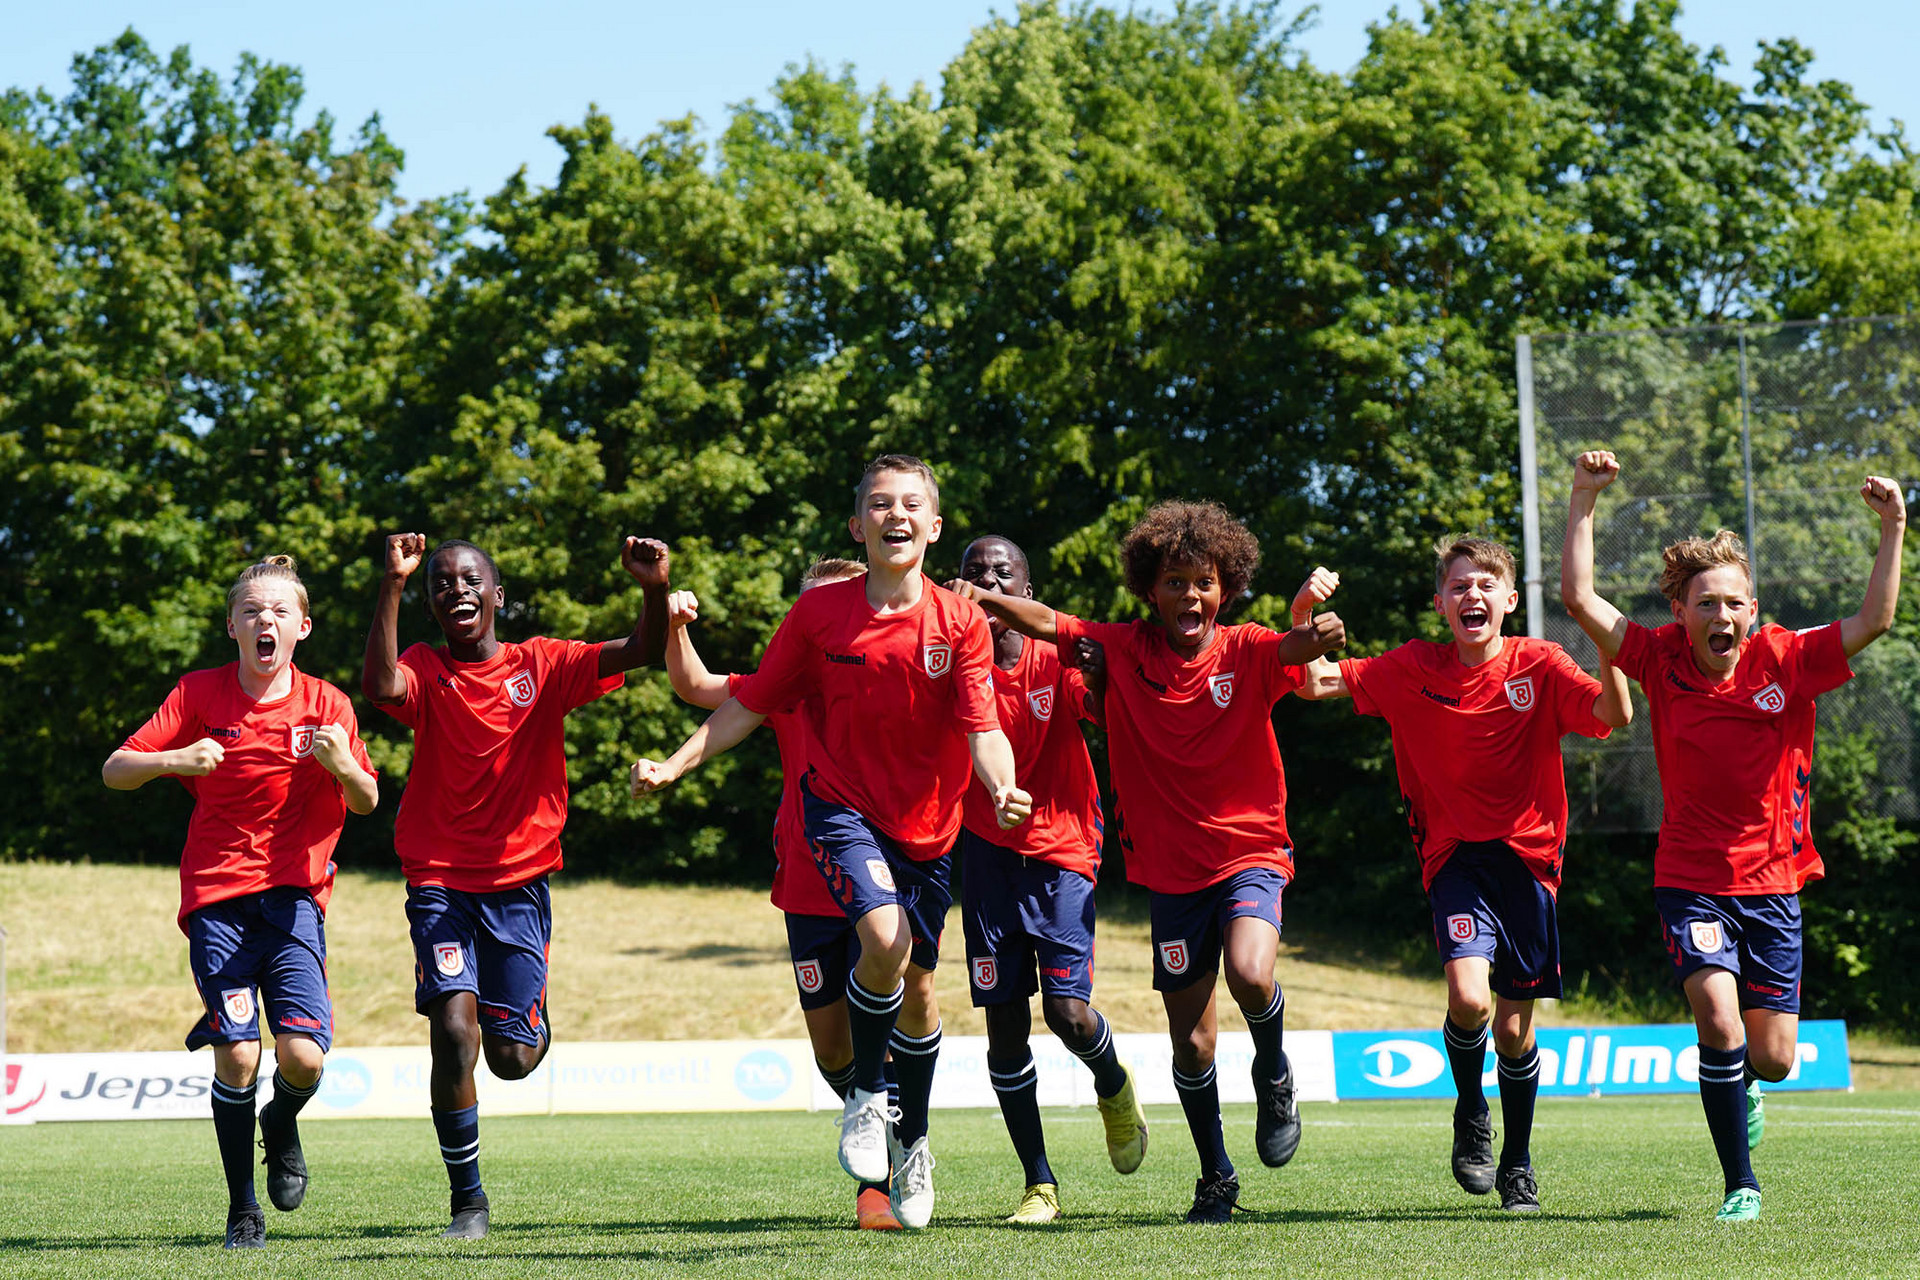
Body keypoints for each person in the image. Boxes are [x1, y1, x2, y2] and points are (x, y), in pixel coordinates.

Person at [631, 455, 1032, 1231]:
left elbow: (984, 729)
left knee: (914, 985)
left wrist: (1001, 786)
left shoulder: (961, 622)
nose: (897, 515)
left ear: (933, 525)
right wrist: (677, 765)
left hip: (928, 831)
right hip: (838, 812)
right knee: (884, 940)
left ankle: (912, 1142)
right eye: (880, 504)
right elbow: (742, 702)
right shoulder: (817, 620)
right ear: (859, 524)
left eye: (912, 504)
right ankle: (863, 1099)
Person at [948, 499, 1344, 1224]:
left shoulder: (1246, 646)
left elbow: (1296, 652)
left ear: (1224, 588)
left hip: (1249, 852)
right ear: (1148, 590)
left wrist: (1318, 631)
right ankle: (1216, 1178)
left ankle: (1274, 1070)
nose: (1188, 595)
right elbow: (1049, 623)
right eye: (1172, 582)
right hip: (1167, 870)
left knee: (1253, 973)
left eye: (1203, 582)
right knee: (1191, 1046)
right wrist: (981, 601)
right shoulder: (1123, 648)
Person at [1561, 450, 1907, 1221]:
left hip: (1775, 884)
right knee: (1716, 1017)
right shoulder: (1656, 659)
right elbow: (1579, 597)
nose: (1722, 616)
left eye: (1734, 603)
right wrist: (1584, 496)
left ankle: (1746, 1084)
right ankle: (1740, 1183)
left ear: (1753, 609)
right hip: (1688, 877)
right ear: (1680, 612)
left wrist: (1893, 527)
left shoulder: (1789, 656)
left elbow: (1876, 620)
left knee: (1775, 1059)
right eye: (1705, 603)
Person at [1292, 539, 1631, 1211]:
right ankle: (1472, 1109)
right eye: (1458, 586)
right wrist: (1301, 609)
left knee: (1512, 1031)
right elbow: (1314, 680)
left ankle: (1518, 1162)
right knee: (1470, 1001)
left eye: (1485, 585)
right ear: (1440, 603)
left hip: (1529, 862)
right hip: (1453, 858)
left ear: (1509, 600)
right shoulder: (1411, 666)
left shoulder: (1539, 663)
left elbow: (1614, 716)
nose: (1471, 595)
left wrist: (1609, 646)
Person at [362, 531, 671, 1239]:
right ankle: (467, 1202)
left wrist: (653, 588)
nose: (456, 591)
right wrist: (391, 583)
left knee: (513, 1060)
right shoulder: (423, 667)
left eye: (470, 580)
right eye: (441, 584)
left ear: (497, 595)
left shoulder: (544, 664)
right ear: (431, 604)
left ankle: (529, 1019)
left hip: (520, 885)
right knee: (452, 1029)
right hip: (439, 881)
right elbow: (380, 687)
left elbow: (642, 651)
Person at [103, 555, 379, 1250]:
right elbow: (115, 769)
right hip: (217, 901)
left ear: (303, 627)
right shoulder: (198, 693)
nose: (267, 621)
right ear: (233, 625)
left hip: (293, 903)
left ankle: (280, 1123)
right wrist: (174, 760)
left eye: (280, 612)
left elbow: (369, 800)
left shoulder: (328, 705)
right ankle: (242, 1212)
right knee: (235, 1056)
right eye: (253, 611)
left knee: (304, 1061)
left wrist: (342, 763)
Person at [654, 558, 905, 1231]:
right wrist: (675, 625)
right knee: (832, 1050)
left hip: (883, 878)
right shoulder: (786, 688)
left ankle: (881, 1179)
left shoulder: (891, 674)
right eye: (809, 612)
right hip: (804, 885)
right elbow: (697, 685)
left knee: (889, 1024)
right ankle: (874, 1122)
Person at [951, 534, 1147, 1225]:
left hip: (1063, 849)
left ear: (1025, 596)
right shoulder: (949, 667)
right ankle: (1040, 1184)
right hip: (984, 856)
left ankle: (1113, 1083)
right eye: (974, 574)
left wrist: (1095, 676)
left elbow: (1100, 706)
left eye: (1003, 574)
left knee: (1065, 1014)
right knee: (1004, 1025)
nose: (987, 584)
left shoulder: (1054, 658)